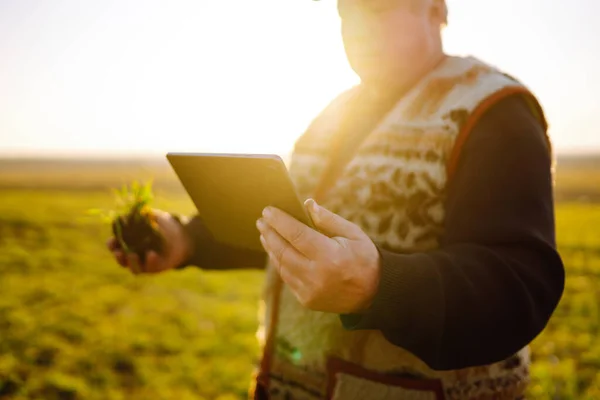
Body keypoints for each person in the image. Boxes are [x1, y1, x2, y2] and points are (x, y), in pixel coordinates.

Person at [107, 0, 565, 398]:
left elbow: (517, 284)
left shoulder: (494, 111)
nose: (358, 27)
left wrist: (378, 285)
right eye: (347, 12)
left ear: (436, 9)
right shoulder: (334, 113)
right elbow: (288, 225)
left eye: (378, 7)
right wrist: (186, 240)